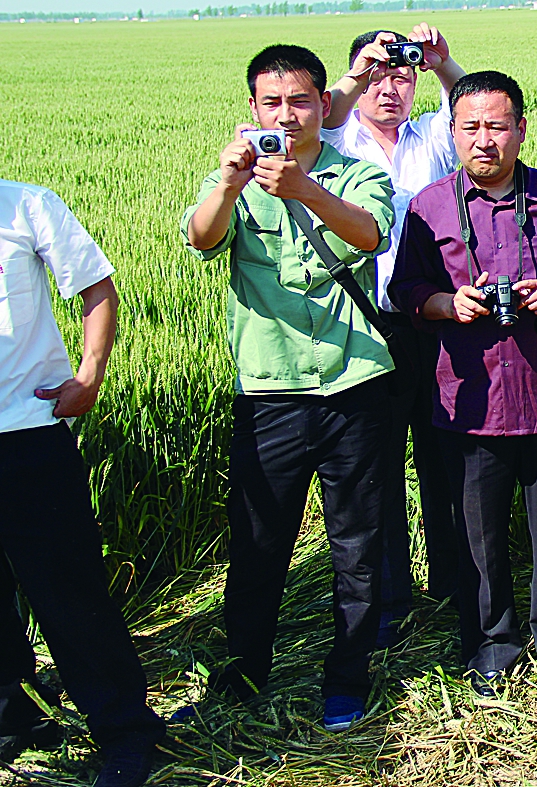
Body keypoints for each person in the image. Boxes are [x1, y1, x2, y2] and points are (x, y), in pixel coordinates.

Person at [179, 44, 396, 732]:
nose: (285, 114)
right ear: (252, 109)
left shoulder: (355, 172)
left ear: (323, 104)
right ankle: (241, 677)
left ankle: (347, 678)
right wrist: (228, 184)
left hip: (354, 382)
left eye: (299, 100)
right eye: (271, 102)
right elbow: (199, 238)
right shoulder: (234, 181)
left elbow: (368, 233)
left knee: (356, 545)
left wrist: (304, 188)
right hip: (270, 389)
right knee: (257, 543)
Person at [390, 71, 537, 698]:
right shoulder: (429, 206)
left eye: (497, 126)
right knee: (478, 536)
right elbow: (406, 289)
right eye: (470, 127)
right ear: (452, 132)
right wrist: (445, 303)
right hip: (469, 401)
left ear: (520, 129)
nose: (484, 139)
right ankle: (491, 641)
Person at [0, 179, 164, 786]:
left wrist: (90, 372)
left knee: (68, 593)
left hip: (28, 431)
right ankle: (16, 718)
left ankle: (125, 730)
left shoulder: (25, 205)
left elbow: (96, 286)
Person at [321, 24, 467, 645]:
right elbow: (320, 110)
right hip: (364, 324)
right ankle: (386, 600)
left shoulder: (433, 135)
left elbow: (471, 111)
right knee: (372, 465)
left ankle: (456, 584)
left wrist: (441, 62)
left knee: (445, 457)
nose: (390, 86)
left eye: (400, 75)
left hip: (433, 323)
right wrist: (361, 68)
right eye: (377, 76)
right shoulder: (335, 137)